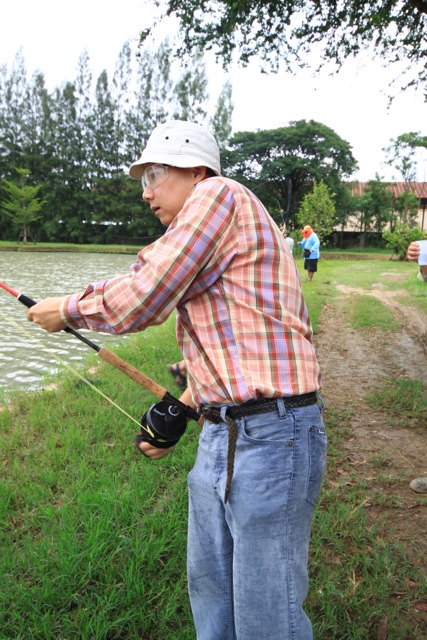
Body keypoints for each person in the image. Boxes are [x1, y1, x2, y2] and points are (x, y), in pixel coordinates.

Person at [27, 120, 326, 640]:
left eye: (154, 177)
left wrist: (67, 310)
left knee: (266, 613)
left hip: (274, 436)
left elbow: (148, 291)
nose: (145, 194)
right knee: (211, 594)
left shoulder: (218, 195)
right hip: (223, 433)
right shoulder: (209, 229)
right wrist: (182, 410)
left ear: (194, 169)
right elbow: (231, 344)